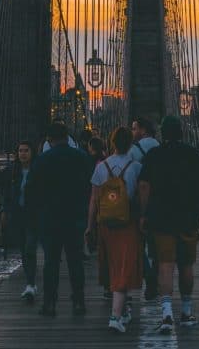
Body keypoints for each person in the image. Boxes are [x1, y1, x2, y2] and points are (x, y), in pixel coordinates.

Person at [139, 116, 199, 334]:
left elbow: (144, 186)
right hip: (187, 218)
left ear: (162, 134)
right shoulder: (194, 155)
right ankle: (186, 312)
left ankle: (167, 314)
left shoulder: (154, 155)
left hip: (161, 218)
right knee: (186, 265)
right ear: (182, 132)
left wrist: (144, 214)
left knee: (165, 265)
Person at [85, 127, 143, 333]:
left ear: (112, 142)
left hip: (106, 225)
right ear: (131, 144)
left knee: (113, 265)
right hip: (127, 224)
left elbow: (94, 199)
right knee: (124, 266)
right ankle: (114, 317)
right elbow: (141, 198)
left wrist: (90, 226)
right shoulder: (136, 167)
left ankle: (124, 310)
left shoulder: (102, 166)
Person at [33, 122, 93, 317]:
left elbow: (34, 190)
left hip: (50, 218)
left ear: (49, 139)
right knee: (75, 261)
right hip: (75, 217)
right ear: (67, 137)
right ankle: (78, 302)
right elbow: (89, 187)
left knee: (51, 262)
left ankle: (50, 304)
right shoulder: (82, 158)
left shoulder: (42, 160)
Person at [2, 141, 40, 301]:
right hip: (18, 214)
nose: (23, 153)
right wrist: (4, 210)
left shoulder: (37, 170)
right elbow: (6, 192)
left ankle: (31, 284)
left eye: (26, 150)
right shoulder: (12, 171)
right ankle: (30, 281)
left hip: (33, 214)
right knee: (24, 249)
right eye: (20, 151)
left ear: (32, 152)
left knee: (30, 247)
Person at [128, 116, 160, 300]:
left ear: (143, 130)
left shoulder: (133, 150)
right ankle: (155, 276)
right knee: (156, 245)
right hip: (159, 201)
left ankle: (149, 278)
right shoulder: (159, 146)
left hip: (139, 202)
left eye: (134, 129)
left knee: (138, 243)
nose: (132, 132)